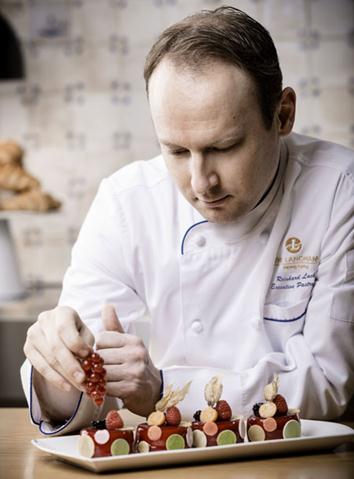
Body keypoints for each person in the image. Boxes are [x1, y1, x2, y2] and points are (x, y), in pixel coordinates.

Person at [21, 6, 354, 435]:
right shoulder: (125, 204)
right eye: (176, 152)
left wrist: (164, 389)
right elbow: (88, 385)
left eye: (225, 146)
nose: (201, 183)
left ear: (283, 114)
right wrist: (56, 371)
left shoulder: (339, 190)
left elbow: (329, 383)